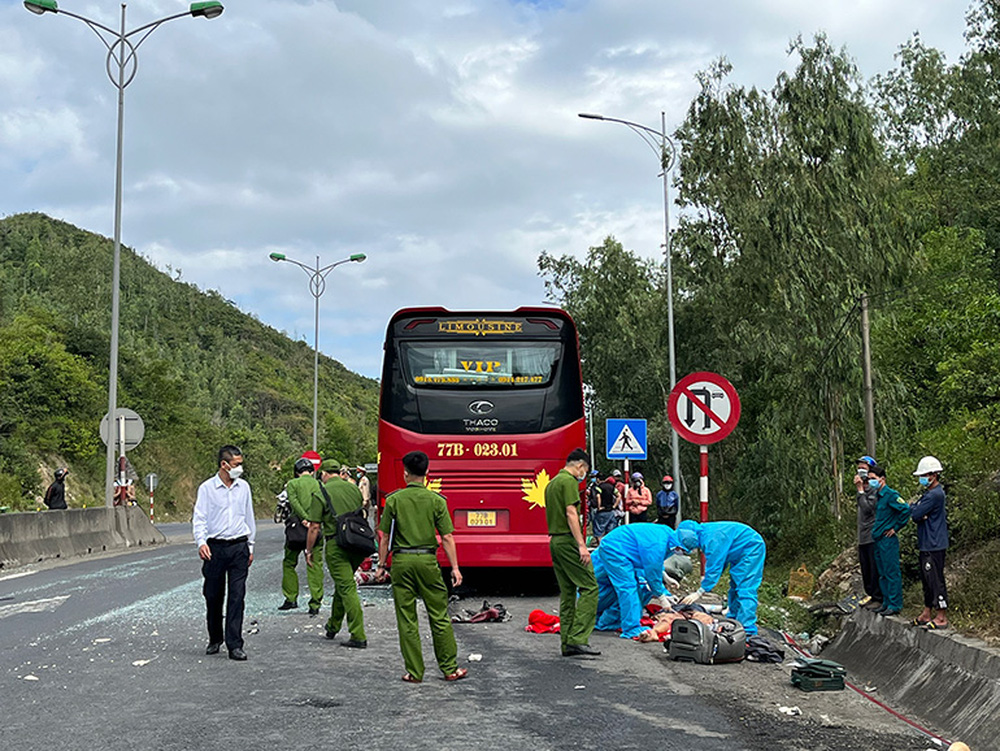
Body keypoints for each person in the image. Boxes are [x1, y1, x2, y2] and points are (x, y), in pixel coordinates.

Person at [375, 451, 467, 682]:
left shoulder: (395, 500)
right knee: (439, 615)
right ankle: (449, 669)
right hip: (427, 561)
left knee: (407, 618)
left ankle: (414, 672)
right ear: (427, 473)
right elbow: (447, 537)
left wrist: (380, 565)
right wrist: (455, 568)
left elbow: (384, 536)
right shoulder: (437, 500)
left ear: (405, 473)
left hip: (402, 562)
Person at [193, 445, 256, 661]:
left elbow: (249, 517)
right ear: (224, 464)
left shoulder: (244, 488)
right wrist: (201, 542)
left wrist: (251, 545)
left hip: (239, 546)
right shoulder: (207, 489)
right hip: (215, 548)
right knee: (213, 595)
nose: (240, 468)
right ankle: (215, 637)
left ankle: (235, 644)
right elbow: (200, 518)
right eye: (237, 464)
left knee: (237, 596)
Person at [591, 524, 698, 639]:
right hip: (617, 551)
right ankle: (630, 628)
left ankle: (597, 619)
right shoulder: (658, 544)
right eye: (682, 550)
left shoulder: (668, 536)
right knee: (628, 588)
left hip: (620, 548)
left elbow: (654, 563)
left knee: (611, 587)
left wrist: (664, 576)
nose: (681, 552)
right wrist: (661, 597)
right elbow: (652, 573)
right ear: (678, 546)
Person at [305, 462, 369, 647]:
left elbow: (314, 527)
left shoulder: (320, 493)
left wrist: (309, 551)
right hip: (357, 543)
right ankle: (333, 626)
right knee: (344, 584)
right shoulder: (353, 489)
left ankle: (358, 635)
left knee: (347, 587)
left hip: (336, 545)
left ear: (324, 473)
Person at [545, 448, 600, 657]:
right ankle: (578, 638)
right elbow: (571, 513)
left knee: (568, 592)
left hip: (555, 542)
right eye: (584, 470)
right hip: (568, 541)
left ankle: (567, 642)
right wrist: (581, 545)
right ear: (580, 466)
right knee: (590, 587)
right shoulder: (568, 482)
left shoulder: (551, 483)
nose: (582, 475)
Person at [677, 519, 767, 636]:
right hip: (740, 549)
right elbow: (719, 563)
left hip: (751, 548)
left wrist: (700, 591)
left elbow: (714, 565)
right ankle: (734, 619)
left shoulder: (712, 539)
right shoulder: (705, 534)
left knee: (746, 589)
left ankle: (747, 630)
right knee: (735, 586)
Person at [279, 456, 324, 615]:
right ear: (312, 472)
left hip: (296, 529)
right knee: (315, 564)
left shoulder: (292, 484)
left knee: (289, 563)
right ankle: (315, 602)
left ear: (296, 472)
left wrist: (304, 518)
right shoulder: (319, 484)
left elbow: (293, 502)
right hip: (316, 528)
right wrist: (312, 520)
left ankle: (290, 598)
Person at [910, 456, 949, 629]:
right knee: (927, 580)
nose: (922, 478)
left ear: (933, 475)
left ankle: (941, 616)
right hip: (926, 542)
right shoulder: (928, 494)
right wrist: (917, 511)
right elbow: (916, 510)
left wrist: (919, 512)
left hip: (935, 543)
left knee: (935, 579)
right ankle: (927, 612)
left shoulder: (935, 495)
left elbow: (916, 513)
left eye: (925, 475)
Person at [869, 464, 909, 617]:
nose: (871, 482)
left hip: (888, 540)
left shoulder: (891, 495)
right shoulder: (878, 497)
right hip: (878, 539)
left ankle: (895, 604)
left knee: (891, 572)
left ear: (882, 479)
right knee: (882, 573)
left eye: (874, 479)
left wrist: (895, 527)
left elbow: (905, 510)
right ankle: (886, 602)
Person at [853, 455, 883, 610]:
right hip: (862, 536)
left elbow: (868, 509)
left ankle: (879, 597)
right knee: (865, 569)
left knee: (874, 568)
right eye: (859, 467)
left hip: (872, 535)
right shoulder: (862, 488)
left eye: (864, 468)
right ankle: (870, 594)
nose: (861, 470)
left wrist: (860, 491)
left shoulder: (872, 489)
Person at [591, 476, 621, 543]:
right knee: (610, 530)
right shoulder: (612, 487)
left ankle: (600, 545)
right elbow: (619, 496)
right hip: (610, 511)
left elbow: (598, 496)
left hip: (602, 511)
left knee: (599, 530)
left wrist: (599, 507)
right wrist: (614, 505)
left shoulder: (599, 487)